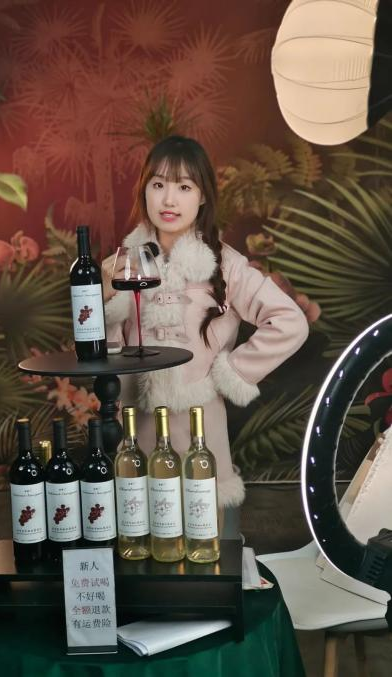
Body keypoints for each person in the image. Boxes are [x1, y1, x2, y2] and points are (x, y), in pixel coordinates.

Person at [102, 135, 309, 535]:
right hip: (138, 429)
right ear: (144, 190)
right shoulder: (120, 265)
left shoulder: (225, 264)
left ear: (202, 197)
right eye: (158, 184)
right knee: (141, 543)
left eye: (184, 187)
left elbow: (290, 321)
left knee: (206, 544)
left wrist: (231, 372)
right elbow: (101, 345)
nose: (168, 200)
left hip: (200, 428)